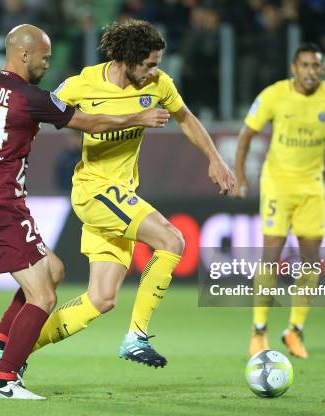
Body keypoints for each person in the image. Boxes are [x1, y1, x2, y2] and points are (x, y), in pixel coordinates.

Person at [0, 24, 170, 400]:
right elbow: (90, 123)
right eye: (45, 58)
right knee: (43, 296)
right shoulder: (31, 97)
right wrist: (136, 119)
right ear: (24, 54)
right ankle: (5, 381)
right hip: (1, 203)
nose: (48, 65)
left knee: (54, 270)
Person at [29, 19, 235, 368]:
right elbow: (37, 109)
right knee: (173, 241)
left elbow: (185, 118)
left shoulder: (158, 84)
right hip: (94, 190)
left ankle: (12, 349)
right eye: (150, 64)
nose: (156, 71)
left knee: (101, 299)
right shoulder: (83, 84)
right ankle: (136, 336)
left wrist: (215, 159)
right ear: (127, 59)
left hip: (118, 194)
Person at [233, 43, 325, 359]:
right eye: (305, 65)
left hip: (313, 186)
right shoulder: (274, 95)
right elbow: (246, 136)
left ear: (322, 70)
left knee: (312, 261)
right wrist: (240, 176)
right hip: (277, 184)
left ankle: (294, 330)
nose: (311, 72)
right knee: (271, 255)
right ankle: (258, 330)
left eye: (316, 66)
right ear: (294, 68)